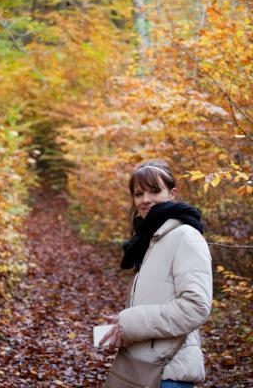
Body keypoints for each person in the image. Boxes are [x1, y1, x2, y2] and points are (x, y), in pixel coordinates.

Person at [99, 160, 213, 388]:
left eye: (154, 191)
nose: (145, 200)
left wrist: (131, 323)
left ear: (172, 193)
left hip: (169, 372)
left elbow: (196, 307)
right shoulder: (151, 239)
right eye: (138, 194)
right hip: (146, 367)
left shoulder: (185, 236)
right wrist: (122, 324)